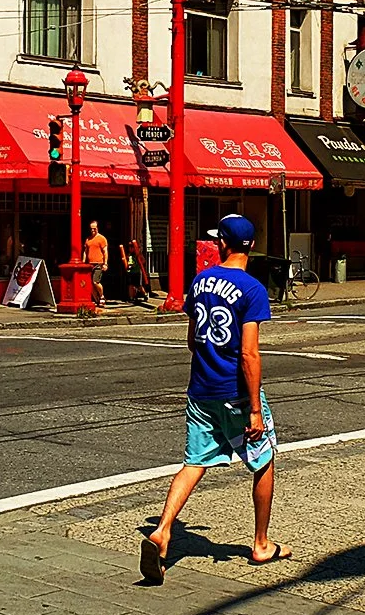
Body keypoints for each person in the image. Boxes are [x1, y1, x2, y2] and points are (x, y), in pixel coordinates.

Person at [141, 213, 288, 584]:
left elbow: (192, 340)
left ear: (222, 243)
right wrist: (254, 409)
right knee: (264, 460)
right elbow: (250, 354)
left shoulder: (201, 281)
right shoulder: (252, 289)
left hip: (200, 389)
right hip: (235, 393)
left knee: (194, 463)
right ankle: (261, 543)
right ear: (250, 246)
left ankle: (162, 530)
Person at [85, 220, 110, 306]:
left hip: (98, 263)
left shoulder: (102, 239)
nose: (92, 230)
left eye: (94, 229)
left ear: (97, 228)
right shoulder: (88, 239)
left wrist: (105, 263)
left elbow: (105, 251)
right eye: (91, 229)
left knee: (95, 281)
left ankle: (102, 296)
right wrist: (83, 262)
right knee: (90, 284)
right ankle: (97, 300)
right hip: (89, 264)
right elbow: (85, 251)